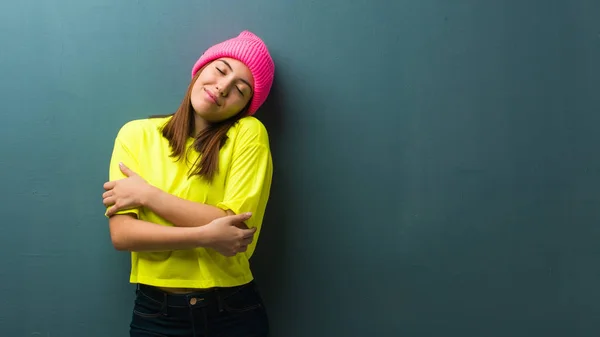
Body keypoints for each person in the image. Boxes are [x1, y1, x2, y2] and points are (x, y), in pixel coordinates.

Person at [102, 30, 275, 337]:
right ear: (200, 69)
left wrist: (147, 195)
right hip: (156, 314)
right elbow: (124, 234)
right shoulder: (135, 135)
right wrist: (207, 235)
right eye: (221, 70)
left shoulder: (248, 133)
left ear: (246, 106)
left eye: (240, 89)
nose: (222, 88)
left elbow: (234, 230)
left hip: (231, 311)